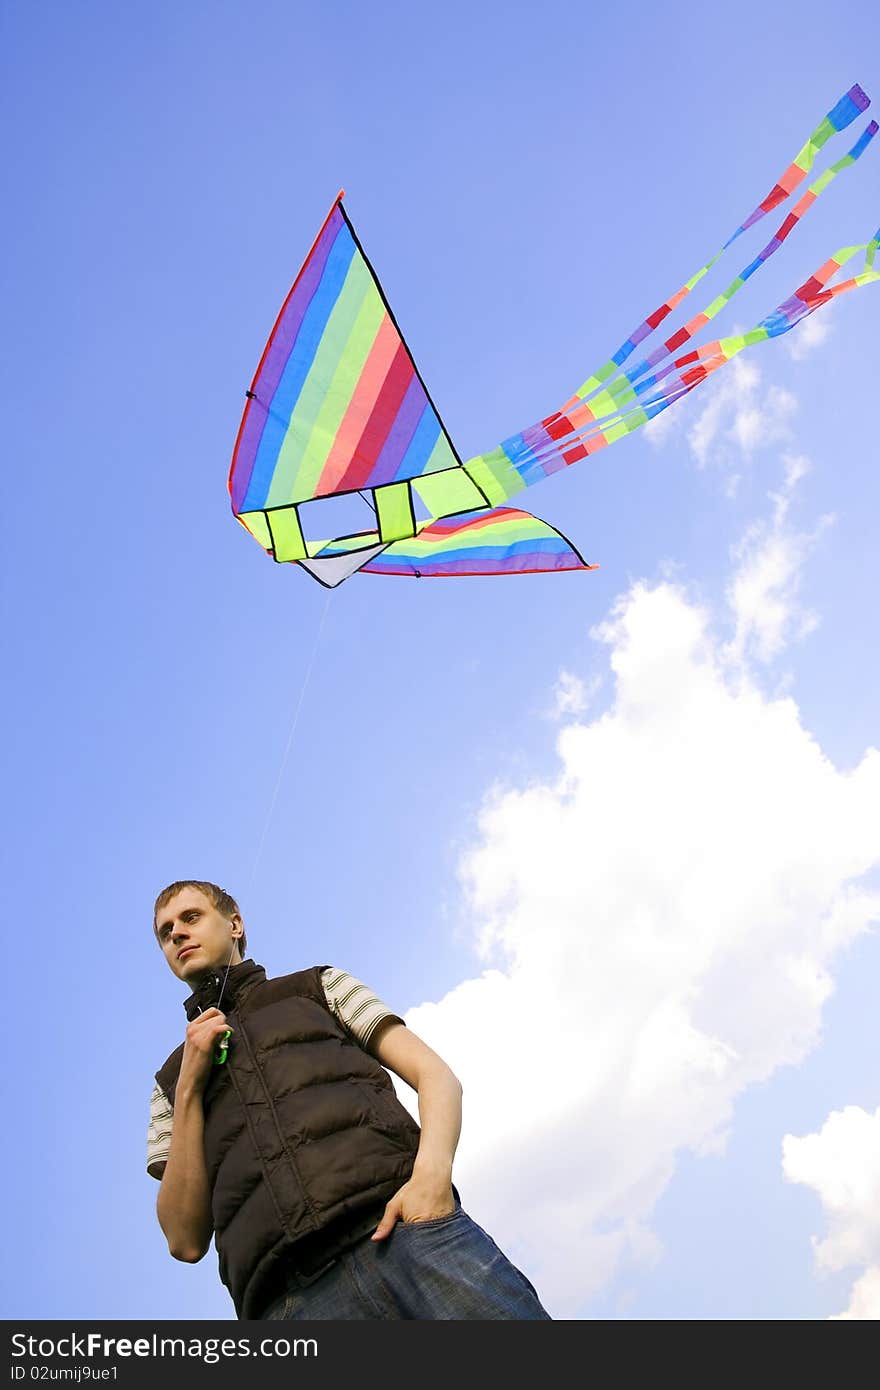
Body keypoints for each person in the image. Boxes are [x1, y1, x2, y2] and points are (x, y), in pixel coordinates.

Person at [147, 880, 551, 1321]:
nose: (178, 934)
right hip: (289, 1304)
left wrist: (430, 1183)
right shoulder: (170, 1081)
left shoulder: (318, 987)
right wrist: (189, 1087)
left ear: (235, 924)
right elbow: (183, 1240)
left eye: (191, 917)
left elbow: (436, 1077)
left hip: (410, 1238)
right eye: (166, 932)